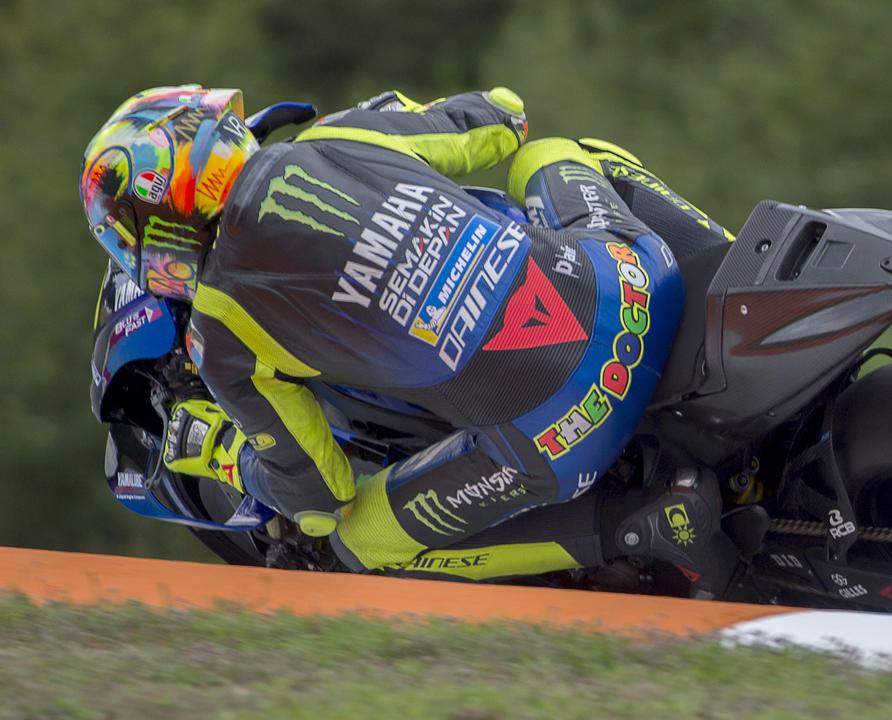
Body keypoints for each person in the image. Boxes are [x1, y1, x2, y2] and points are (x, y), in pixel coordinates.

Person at [79, 85, 737, 594]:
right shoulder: (333, 139)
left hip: (571, 426)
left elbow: (314, 500)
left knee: (350, 542)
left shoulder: (220, 336)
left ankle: (636, 528)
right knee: (556, 154)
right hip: (634, 278)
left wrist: (219, 450)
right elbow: (503, 118)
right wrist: (388, 129)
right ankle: (737, 279)